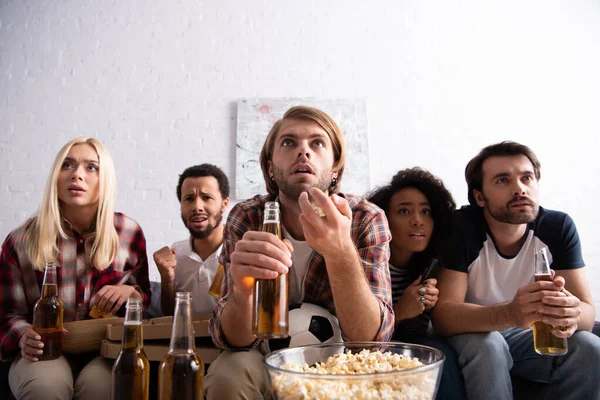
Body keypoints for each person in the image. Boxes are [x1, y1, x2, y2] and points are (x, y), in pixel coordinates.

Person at [205, 105, 394, 399]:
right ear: (270, 167)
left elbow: (371, 341)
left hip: (342, 364)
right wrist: (242, 292)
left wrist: (341, 252)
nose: (303, 152)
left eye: (317, 143)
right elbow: (232, 341)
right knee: (230, 370)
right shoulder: (247, 217)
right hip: (262, 357)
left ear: (335, 169)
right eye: (289, 142)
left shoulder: (366, 218)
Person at [431, 141, 600, 399]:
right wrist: (510, 313)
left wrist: (571, 314)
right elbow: (444, 316)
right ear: (479, 197)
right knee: (489, 345)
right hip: (475, 334)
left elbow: (587, 313)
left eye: (527, 178)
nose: (519, 189)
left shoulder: (558, 227)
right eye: (503, 181)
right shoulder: (461, 228)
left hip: (527, 336)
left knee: (589, 345)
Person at [0, 137, 151, 400]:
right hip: (44, 351)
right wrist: (24, 335)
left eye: (91, 167)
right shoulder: (20, 240)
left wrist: (131, 294)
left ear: (105, 180)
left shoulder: (129, 232)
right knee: (45, 387)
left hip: (105, 350)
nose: (77, 175)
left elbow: (144, 303)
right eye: (67, 165)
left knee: (104, 388)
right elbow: (6, 313)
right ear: (56, 176)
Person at [367, 167, 466, 400]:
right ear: (383, 219)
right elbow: (360, 334)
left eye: (426, 212)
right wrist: (400, 311)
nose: (417, 221)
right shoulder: (370, 261)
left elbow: (414, 335)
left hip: (413, 344)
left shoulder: (432, 266)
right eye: (404, 211)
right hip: (371, 347)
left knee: (438, 352)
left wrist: (422, 309)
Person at [153, 164, 230, 316]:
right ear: (181, 206)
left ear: (224, 204)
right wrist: (166, 279)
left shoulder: (241, 251)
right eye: (189, 199)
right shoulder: (176, 253)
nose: (197, 207)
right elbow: (169, 316)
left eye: (206, 198)